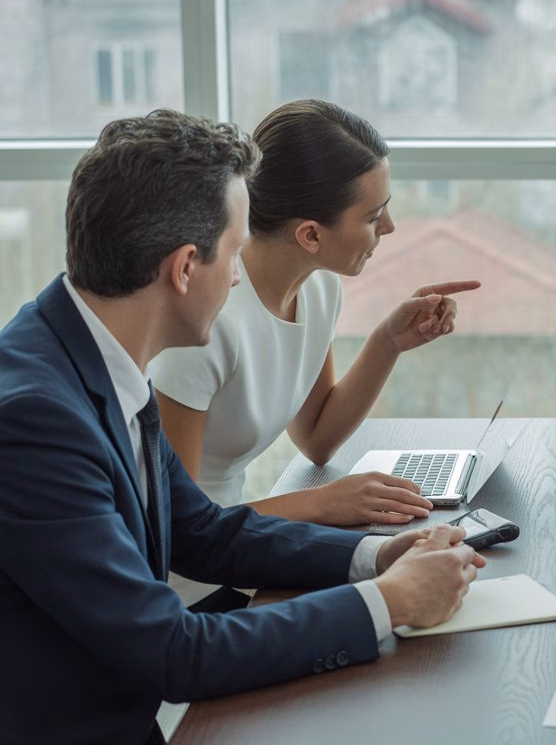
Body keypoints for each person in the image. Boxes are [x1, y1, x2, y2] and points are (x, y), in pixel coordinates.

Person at [0, 110, 485, 745]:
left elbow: (197, 528)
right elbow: (173, 651)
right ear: (183, 269)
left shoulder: (97, 349)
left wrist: (376, 557)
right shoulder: (35, 421)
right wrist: (390, 602)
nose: (238, 274)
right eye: (233, 252)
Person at [149, 99, 480, 530]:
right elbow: (174, 525)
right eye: (374, 216)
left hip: (241, 542)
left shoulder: (320, 287)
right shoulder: (205, 323)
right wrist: (317, 504)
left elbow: (317, 439)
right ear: (310, 235)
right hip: (189, 575)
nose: (390, 227)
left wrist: (388, 342)